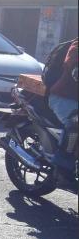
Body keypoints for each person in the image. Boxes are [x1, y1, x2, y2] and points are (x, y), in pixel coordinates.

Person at [47, 37, 78, 169]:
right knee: (75, 121)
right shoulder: (76, 46)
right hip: (62, 96)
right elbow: (74, 68)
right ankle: (63, 164)